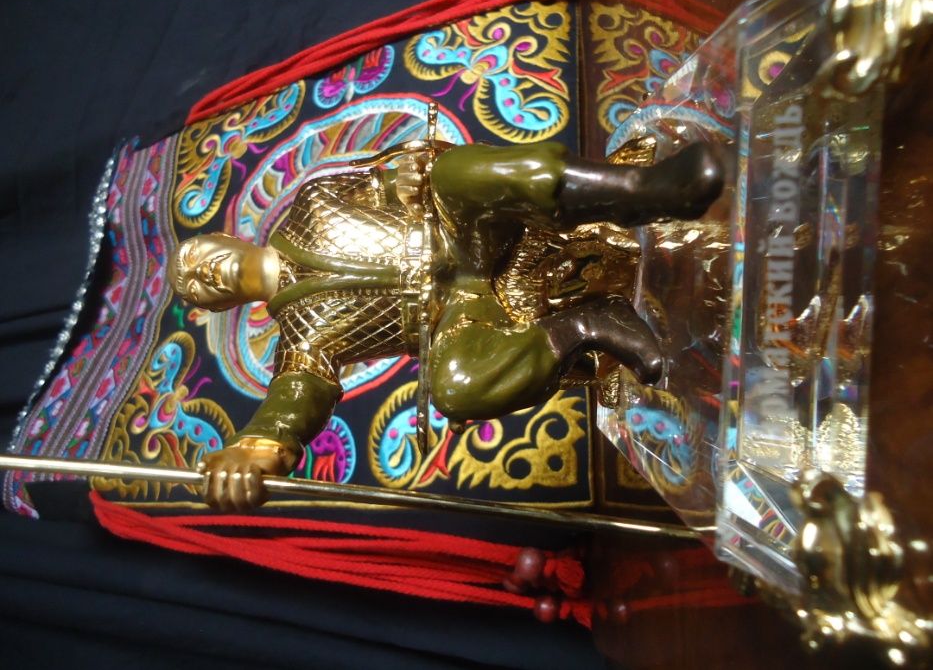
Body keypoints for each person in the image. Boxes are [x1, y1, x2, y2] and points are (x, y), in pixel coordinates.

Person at [169, 140, 723, 510]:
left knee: (456, 175)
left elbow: (391, 172)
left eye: (199, 257)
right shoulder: (300, 337)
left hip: (464, 232)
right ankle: (587, 326)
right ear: (218, 307)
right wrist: (253, 451)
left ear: (227, 237)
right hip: (460, 314)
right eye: (197, 285)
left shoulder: (311, 202)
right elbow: (293, 403)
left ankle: (641, 191)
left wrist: (411, 171)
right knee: (456, 388)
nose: (204, 273)